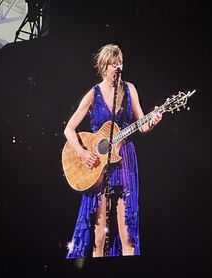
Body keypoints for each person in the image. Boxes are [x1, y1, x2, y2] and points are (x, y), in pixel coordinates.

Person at [64, 44, 162, 258]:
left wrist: (153, 121)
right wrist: (82, 153)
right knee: (99, 235)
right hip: (98, 166)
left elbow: (142, 125)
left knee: (128, 232)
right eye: (113, 64)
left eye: (120, 63)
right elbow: (69, 129)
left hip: (124, 160)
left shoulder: (129, 89)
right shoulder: (93, 94)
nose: (118, 67)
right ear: (103, 67)